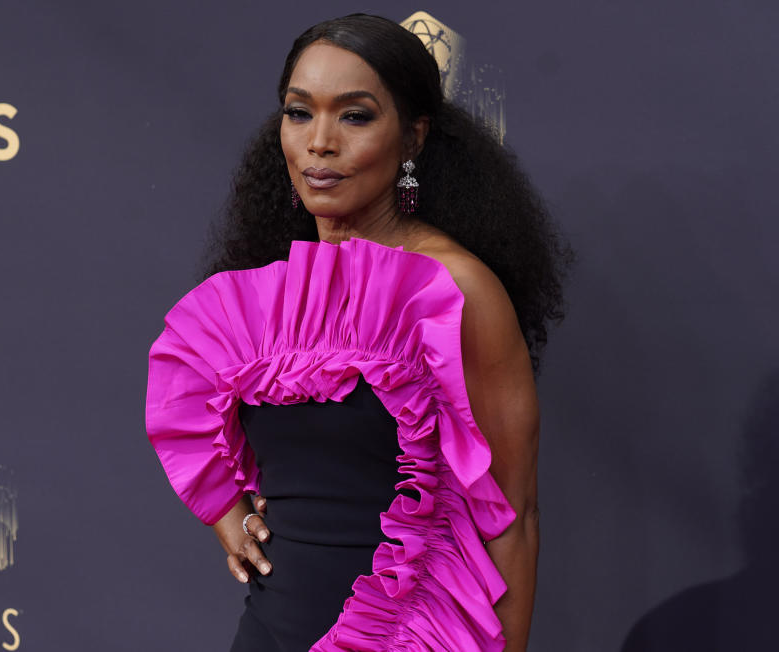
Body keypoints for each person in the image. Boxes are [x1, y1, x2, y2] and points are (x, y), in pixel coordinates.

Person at [146, 13, 573, 652]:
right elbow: (186, 400)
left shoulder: (453, 291)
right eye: (299, 113)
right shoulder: (269, 296)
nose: (319, 142)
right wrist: (228, 515)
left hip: (403, 636)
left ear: (412, 139)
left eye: (355, 116)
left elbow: (513, 518)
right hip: (268, 632)